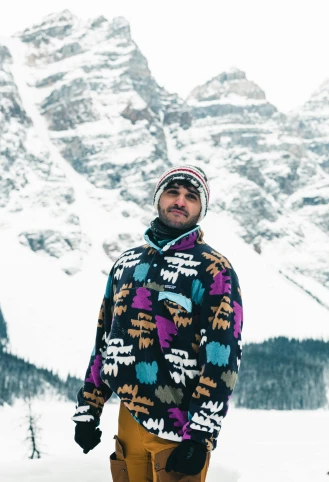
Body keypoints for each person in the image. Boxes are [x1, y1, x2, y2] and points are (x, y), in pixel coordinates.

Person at [72, 165, 244, 482]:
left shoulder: (213, 269)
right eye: (173, 192)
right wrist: (89, 407)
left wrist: (201, 433)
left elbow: (223, 356)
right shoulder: (126, 265)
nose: (181, 201)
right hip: (129, 420)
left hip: (180, 426)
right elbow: (104, 342)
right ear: (158, 199)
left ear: (200, 209)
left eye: (191, 197)